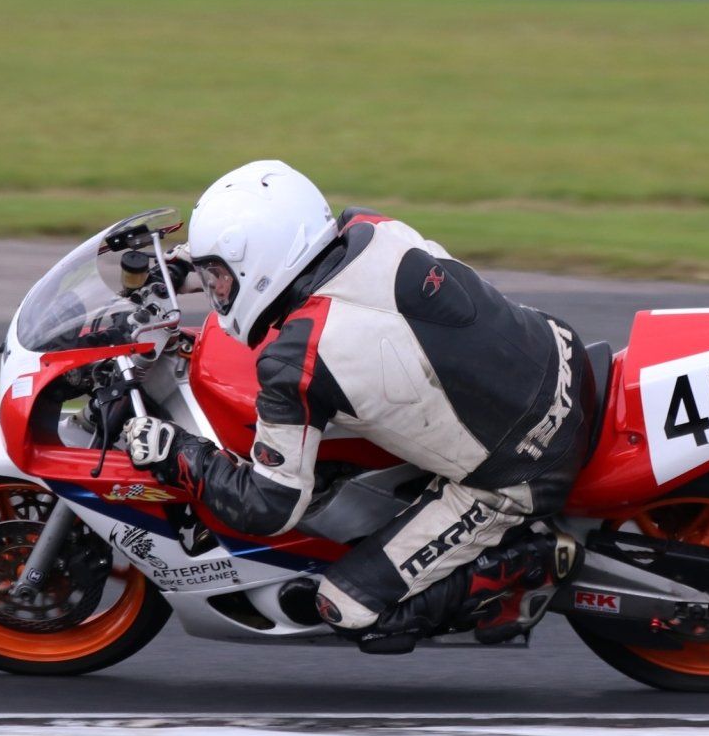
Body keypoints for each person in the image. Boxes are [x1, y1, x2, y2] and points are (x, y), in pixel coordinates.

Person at [117, 161, 591, 656]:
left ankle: (532, 566)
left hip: (524, 464)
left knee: (348, 607)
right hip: (558, 349)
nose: (216, 287)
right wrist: (183, 266)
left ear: (256, 261)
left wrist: (178, 454)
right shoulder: (369, 228)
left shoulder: (298, 358)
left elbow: (268, 506)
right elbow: (278, 251)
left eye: (218, 274)